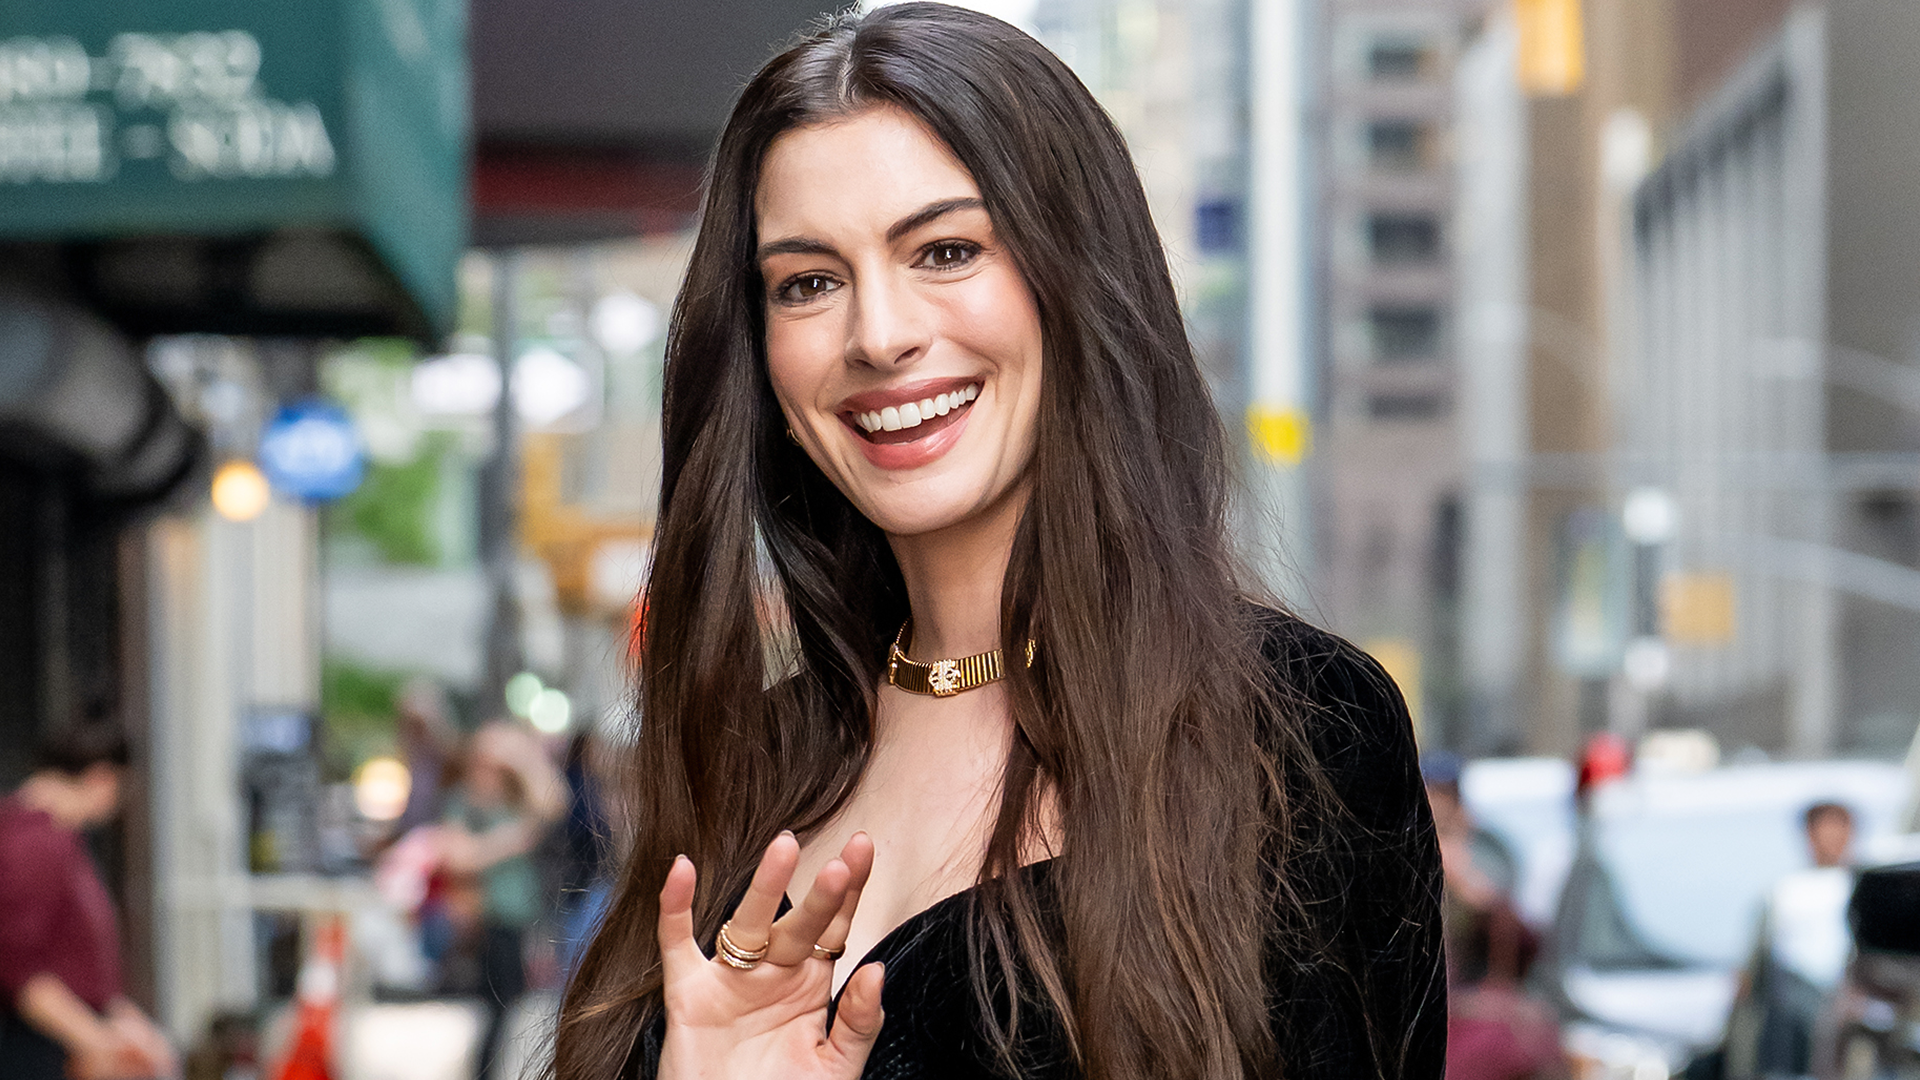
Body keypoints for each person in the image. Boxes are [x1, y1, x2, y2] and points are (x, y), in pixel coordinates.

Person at [552, 5, 1445, 1079]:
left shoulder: (1297, 737)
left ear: (1074, 282)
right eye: (809, 282)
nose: (879, 334)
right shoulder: (749, 765)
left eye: (946, 249)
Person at [0, 726, 175, 1080]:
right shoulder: (34, 844)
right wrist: (96, 1040)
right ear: (102, 779)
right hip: (37, 1048)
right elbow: (20, 970)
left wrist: (124, 1023)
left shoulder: (57, 840)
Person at [437, 721, 568, 1080]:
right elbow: (457, 856)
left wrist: (525, 756)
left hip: (521, 917)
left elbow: (555, 801)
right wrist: (514, 839)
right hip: (486, 920)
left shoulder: (515, 798)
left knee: (512, 1009)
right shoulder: (464, 802)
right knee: (495, 1009)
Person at [1724, 802, 1857, 1080]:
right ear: (1809, 835)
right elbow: (1751, 973)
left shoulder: (1866, 888)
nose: (1833, 838)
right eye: (1825, 829)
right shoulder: (1784, 893)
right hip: (1792, 1016)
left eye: (1840, 828)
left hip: (1850, 1015)